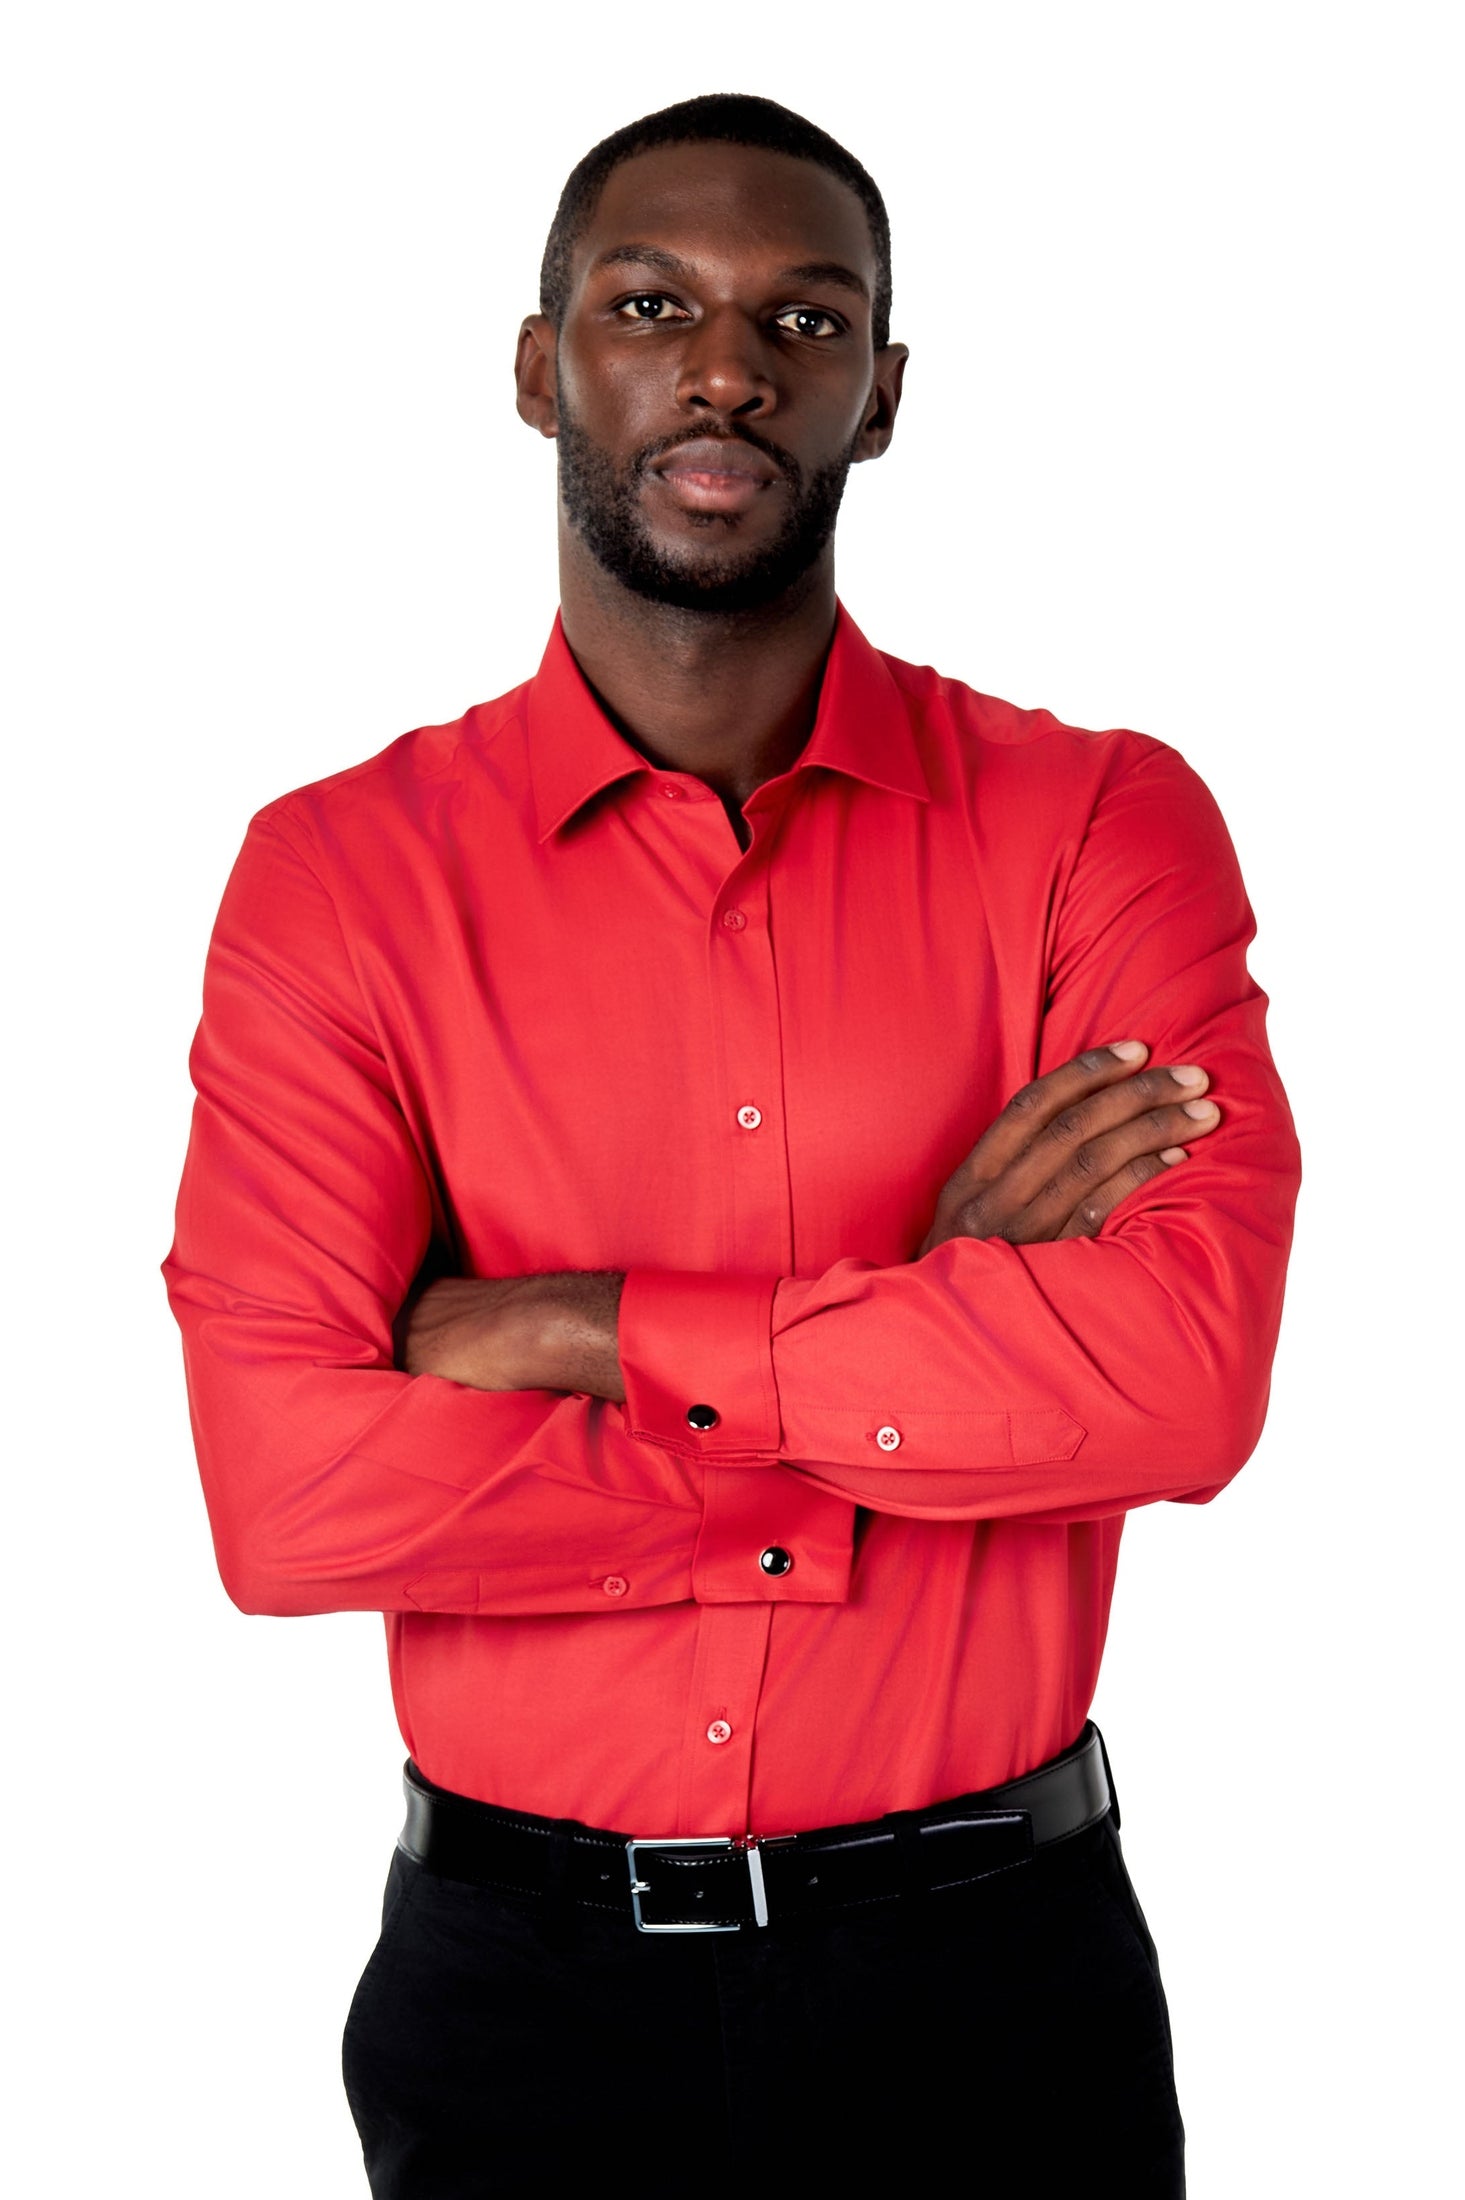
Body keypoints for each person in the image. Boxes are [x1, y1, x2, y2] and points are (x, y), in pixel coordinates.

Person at [164, 92, 1299, 2197]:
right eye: (648, 306)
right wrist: (922, 1342)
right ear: (540, 370)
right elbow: (293, 1501)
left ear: (881, 393)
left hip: (994, 1991)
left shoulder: (1095, 826)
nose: (724, 369)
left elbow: (1177, 1384)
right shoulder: (337, 880)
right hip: (519, 2007)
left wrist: (586, 1328)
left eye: (803, 319)